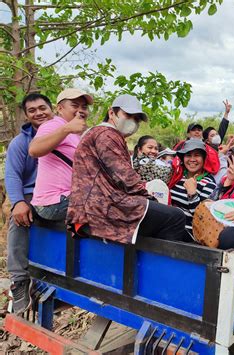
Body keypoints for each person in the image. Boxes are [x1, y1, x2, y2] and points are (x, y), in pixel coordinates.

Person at [66, 94, 187, 244]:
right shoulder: (106, 134)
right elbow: (125, 177)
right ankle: (163, 265)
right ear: (111, 113)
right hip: (102, 208)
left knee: (161, 215)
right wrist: (151, 198)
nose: (132, 121)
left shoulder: (102, 133)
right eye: (128, 115)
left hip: (94, 207)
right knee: (175, 217)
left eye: (136, 119)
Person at [5, 93, 53, 313]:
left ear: (51, 108)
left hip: (62, 194)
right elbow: (12, 175)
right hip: (32, 194)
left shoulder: (64, 134)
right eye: (32, 110)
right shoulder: (20, 143)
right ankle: (19, 280)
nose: (38, 113)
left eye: (42, 108)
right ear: (26, 115)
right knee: (18, 221)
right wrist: (17, 203)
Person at [29, 88, 93, 221]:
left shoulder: (78, 134)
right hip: (53, 202)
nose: (80, 110)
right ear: (59, 108)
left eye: (84, 107)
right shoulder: (53, 125)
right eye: (75, 106)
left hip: (70, 196)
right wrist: (67, 128)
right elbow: (34, 150)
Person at [170, 139, 217, 241]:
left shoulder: (209, 184)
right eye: (188, 155)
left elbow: (202, 218)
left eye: (197, 155)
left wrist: (192, 193)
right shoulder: (177, 176)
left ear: (204, 159)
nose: (192, 159)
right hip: (168, 225)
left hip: (189, 234)